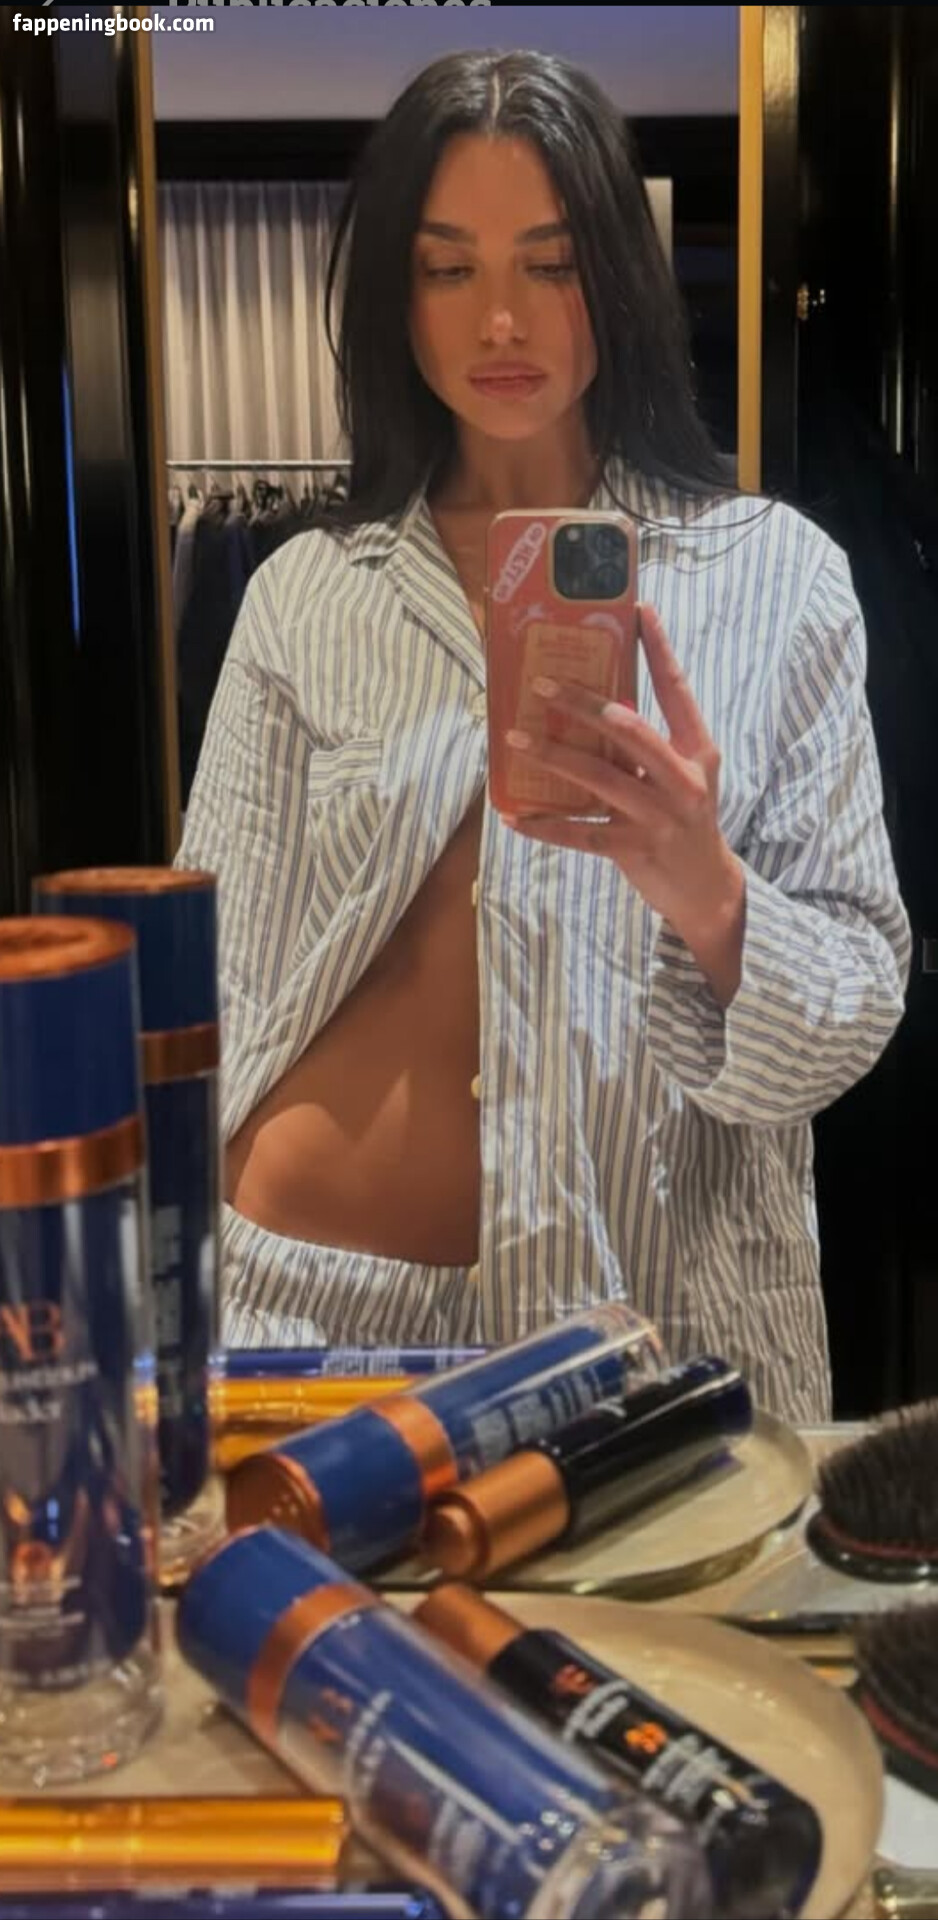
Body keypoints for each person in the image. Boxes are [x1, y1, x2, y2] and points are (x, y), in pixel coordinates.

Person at [177, 50, 910, 1422]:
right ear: (394, 293)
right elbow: (206, 980)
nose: (500, 318)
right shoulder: (306, 596)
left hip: (646, 1331)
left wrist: (712, 896)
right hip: (296, 1318)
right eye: (447, 268)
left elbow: (857, 1006)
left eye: (551, 262)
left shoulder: (775, 580)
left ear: (616, 279)